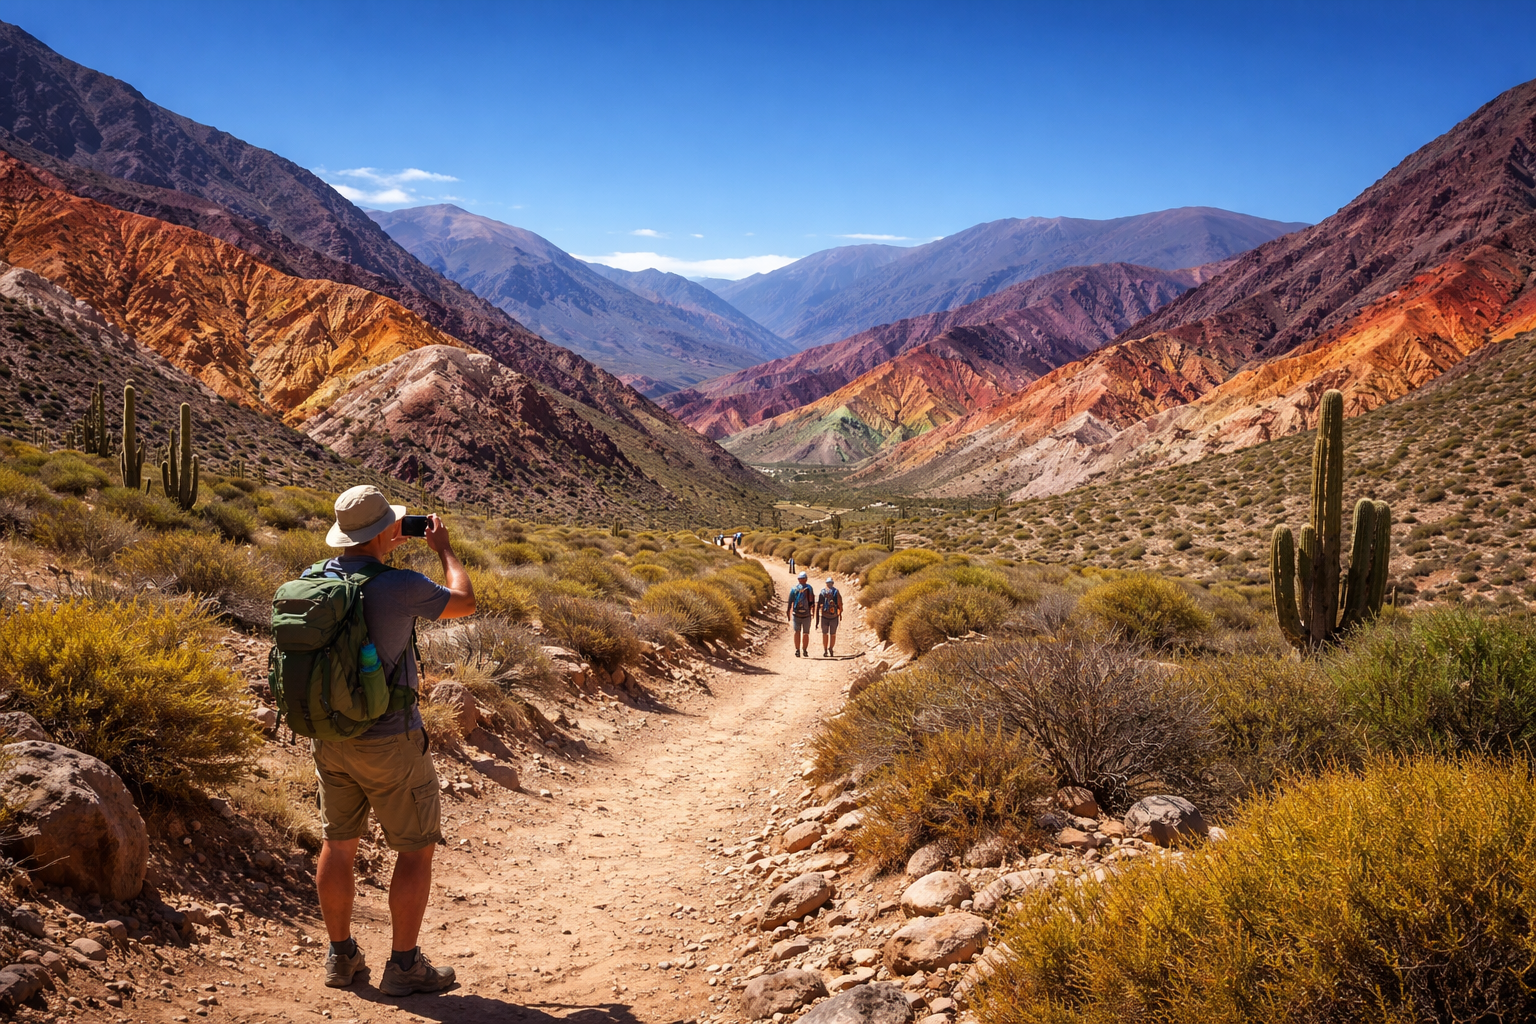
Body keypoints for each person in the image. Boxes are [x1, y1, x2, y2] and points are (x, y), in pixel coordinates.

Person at [312, 485, 476, 995]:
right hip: (390, 740)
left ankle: (341, 959)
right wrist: (444, 549)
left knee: (338, 846)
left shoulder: (314, 580)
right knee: (415, 850)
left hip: (330, 739)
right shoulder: (401, 584)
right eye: (392, 524)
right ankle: (404, 966)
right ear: (385, 531)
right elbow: (464, 602)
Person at [787, 570, 815, 657]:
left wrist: (788, 611)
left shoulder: (794, 588)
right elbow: (812, 601)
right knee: (806, 633)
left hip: (796, 614)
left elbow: (790, 601)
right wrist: (813, 611)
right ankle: (804, 650)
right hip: (806, 614)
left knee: (797, 632)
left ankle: (797, 650)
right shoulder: (809, 588)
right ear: (806, 579)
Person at [816, 576, 843, 658]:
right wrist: (840, 613)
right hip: (834, 616)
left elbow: (818, 605)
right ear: (832, 583)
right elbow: (840, 604)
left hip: (824, 616)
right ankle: (830, 648)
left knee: (825, 634)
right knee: (833, 634)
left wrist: (817, 619)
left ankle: (825, 650)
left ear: (826, 584)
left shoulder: (822, 592)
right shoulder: (836, 592)